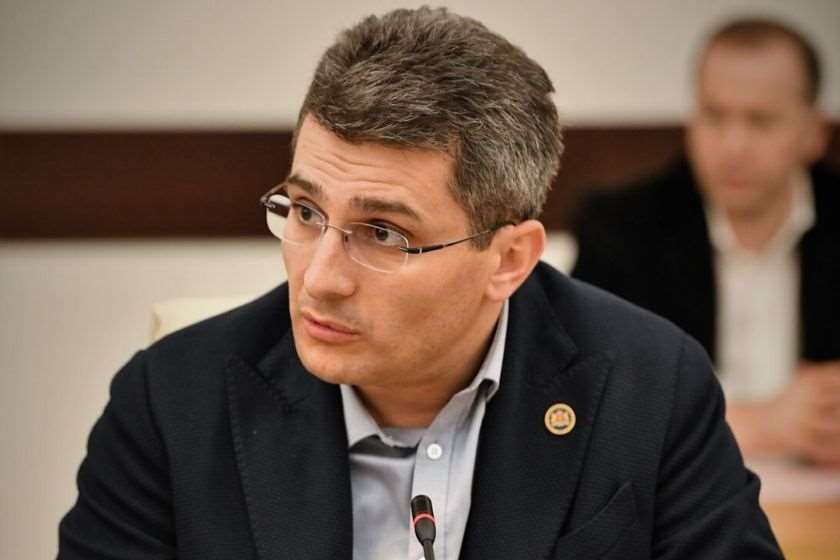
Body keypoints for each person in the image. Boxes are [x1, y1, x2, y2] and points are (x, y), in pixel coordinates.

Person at [59, 8, 782, 559]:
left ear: (510, 259)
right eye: (305, 212)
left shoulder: (649, 388)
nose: (321, 278)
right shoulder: (171, 404)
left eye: (383, 233)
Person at [572, 17, 840, 465]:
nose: (734, 146)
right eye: (715, 116)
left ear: (815, 133)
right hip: (675, 490)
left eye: (761, 121)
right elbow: (587, 394)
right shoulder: (620, 227)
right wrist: (759, 425)